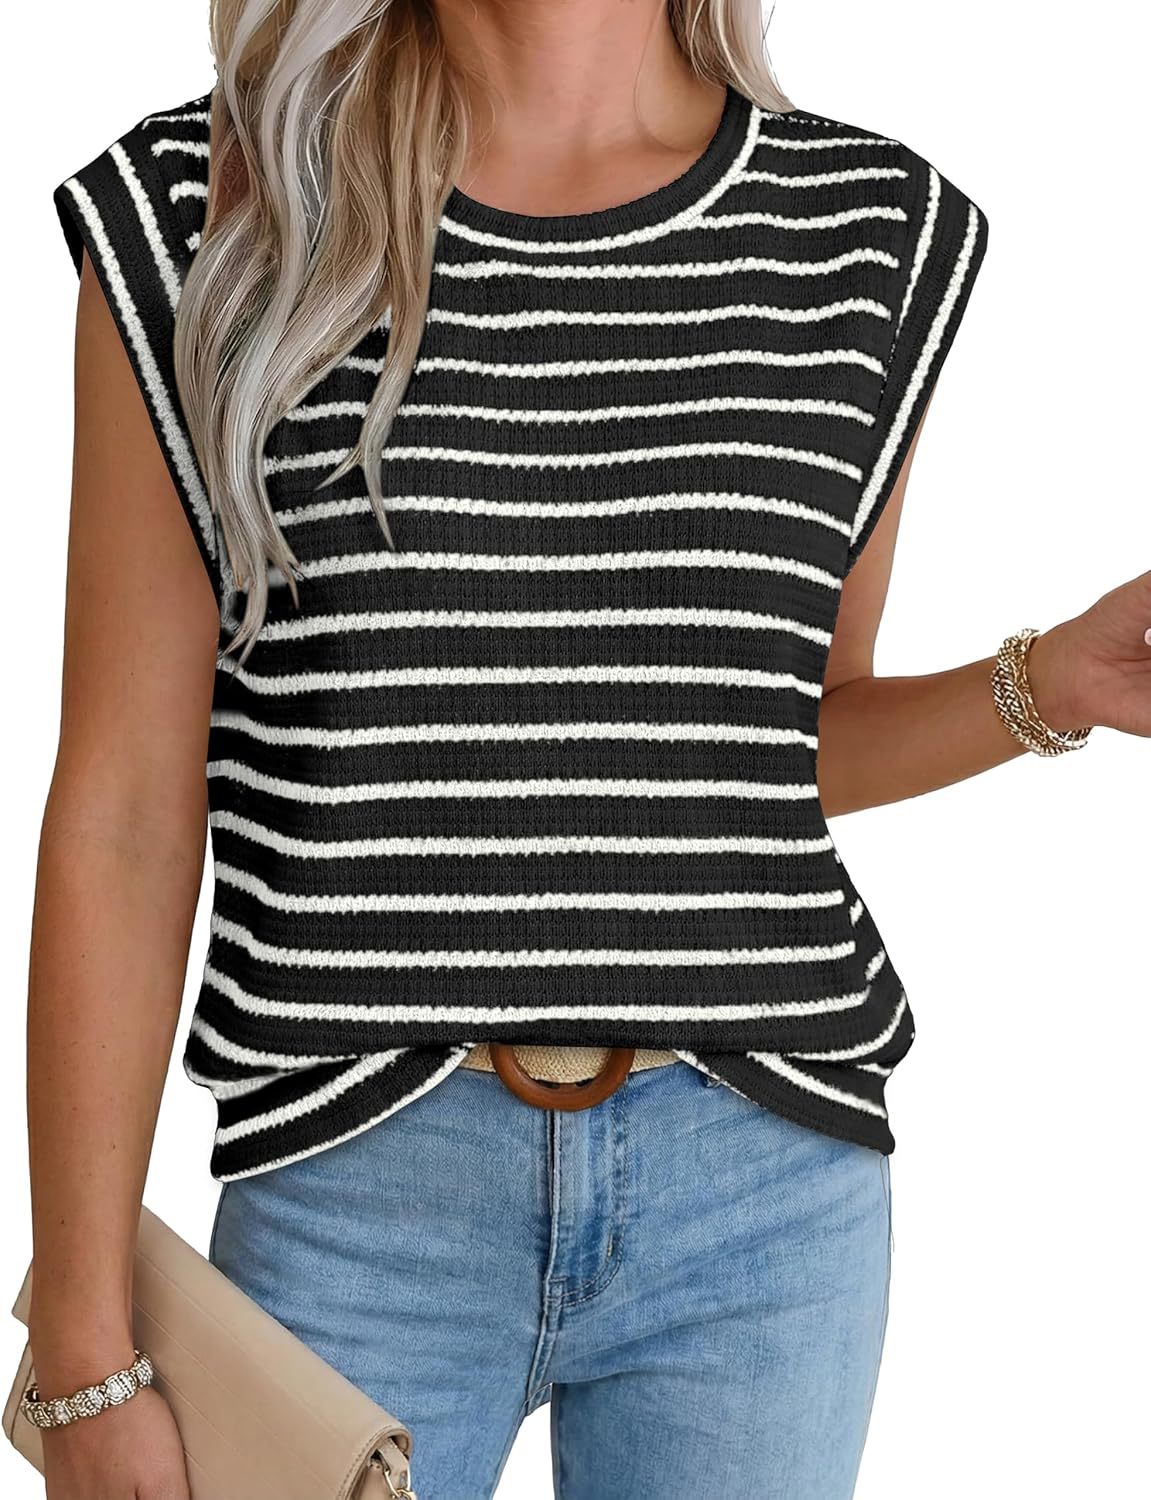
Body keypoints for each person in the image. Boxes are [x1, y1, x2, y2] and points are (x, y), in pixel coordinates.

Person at [24, 1, 1149, 1497]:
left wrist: (1049, 685)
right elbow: (123, 810)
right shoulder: (211, 210)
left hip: (761, 1196)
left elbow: (764, 742)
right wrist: (82, 1345)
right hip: (358, 1191)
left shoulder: (869, 229)